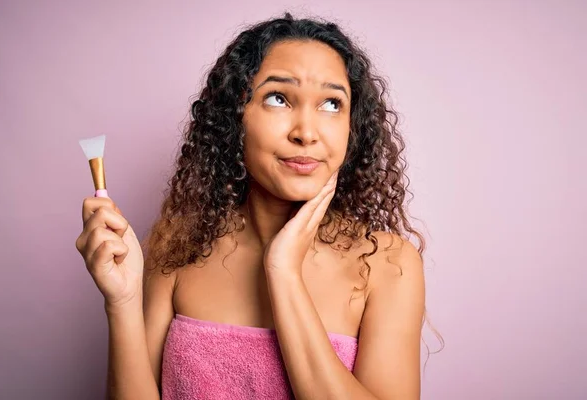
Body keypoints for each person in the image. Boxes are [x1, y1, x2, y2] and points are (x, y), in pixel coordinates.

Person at [76, 12, 429, 400]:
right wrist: (122, 301)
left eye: (331, 103)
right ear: (234, 117)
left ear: (353, 126)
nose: (306, 133)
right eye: (279, 98)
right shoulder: (179, 246)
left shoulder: (387, 264)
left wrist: (283, 272)